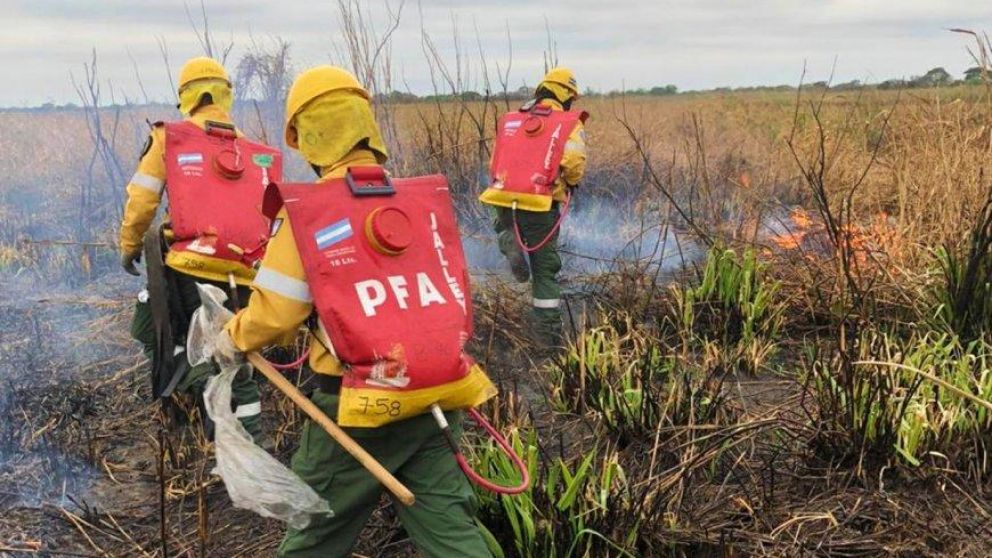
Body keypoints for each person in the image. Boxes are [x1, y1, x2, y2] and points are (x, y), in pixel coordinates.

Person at [212, 65, 495, 558]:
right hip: (436, 398)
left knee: (314, 534)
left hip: (357, 409)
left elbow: (275, 314)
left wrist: (230, 338)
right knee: (451, 534)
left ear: (306, 135)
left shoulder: (312, 211)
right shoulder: (417, 202)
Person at [120, 56, 279, 440]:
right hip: (245, 273)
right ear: (225, 96)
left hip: (190, 268)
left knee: (157, 331)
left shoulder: (169, 138)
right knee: (232, 353)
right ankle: (242, 439)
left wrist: (129, 246)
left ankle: (219, 425)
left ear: (186, 97)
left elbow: (142, 201)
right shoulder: (255, 151)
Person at [480, 67, 588, 346]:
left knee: (508, 227)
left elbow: (495, 161)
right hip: (539, 203)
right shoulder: (567, 123)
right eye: (571, 98)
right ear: (565, 94)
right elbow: (574, 163)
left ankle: (507, 238)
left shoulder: (512, 120)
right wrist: (571, 182)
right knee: (545, 267)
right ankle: (547, 334)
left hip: (501, 199)